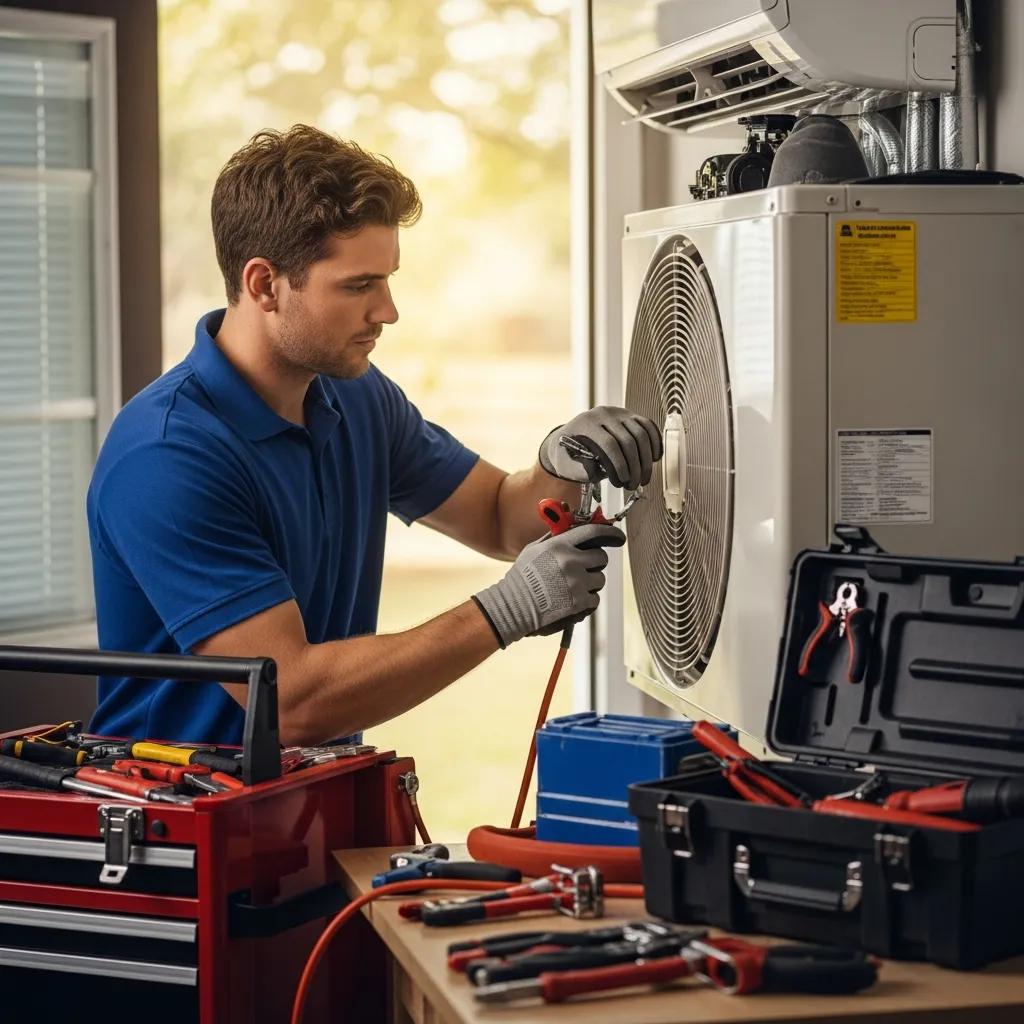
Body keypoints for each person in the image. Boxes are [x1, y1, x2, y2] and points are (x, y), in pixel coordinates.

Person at [86, 125, 662, 747]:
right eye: (359, 286)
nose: (387, 311)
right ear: (263, 285)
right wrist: (505, 612)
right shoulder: (169, 454)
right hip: (187, 815)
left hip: (322, 791)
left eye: (387, 280)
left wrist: (562, 460)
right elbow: (292, 701)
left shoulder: (355, 396)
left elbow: (500, 518)